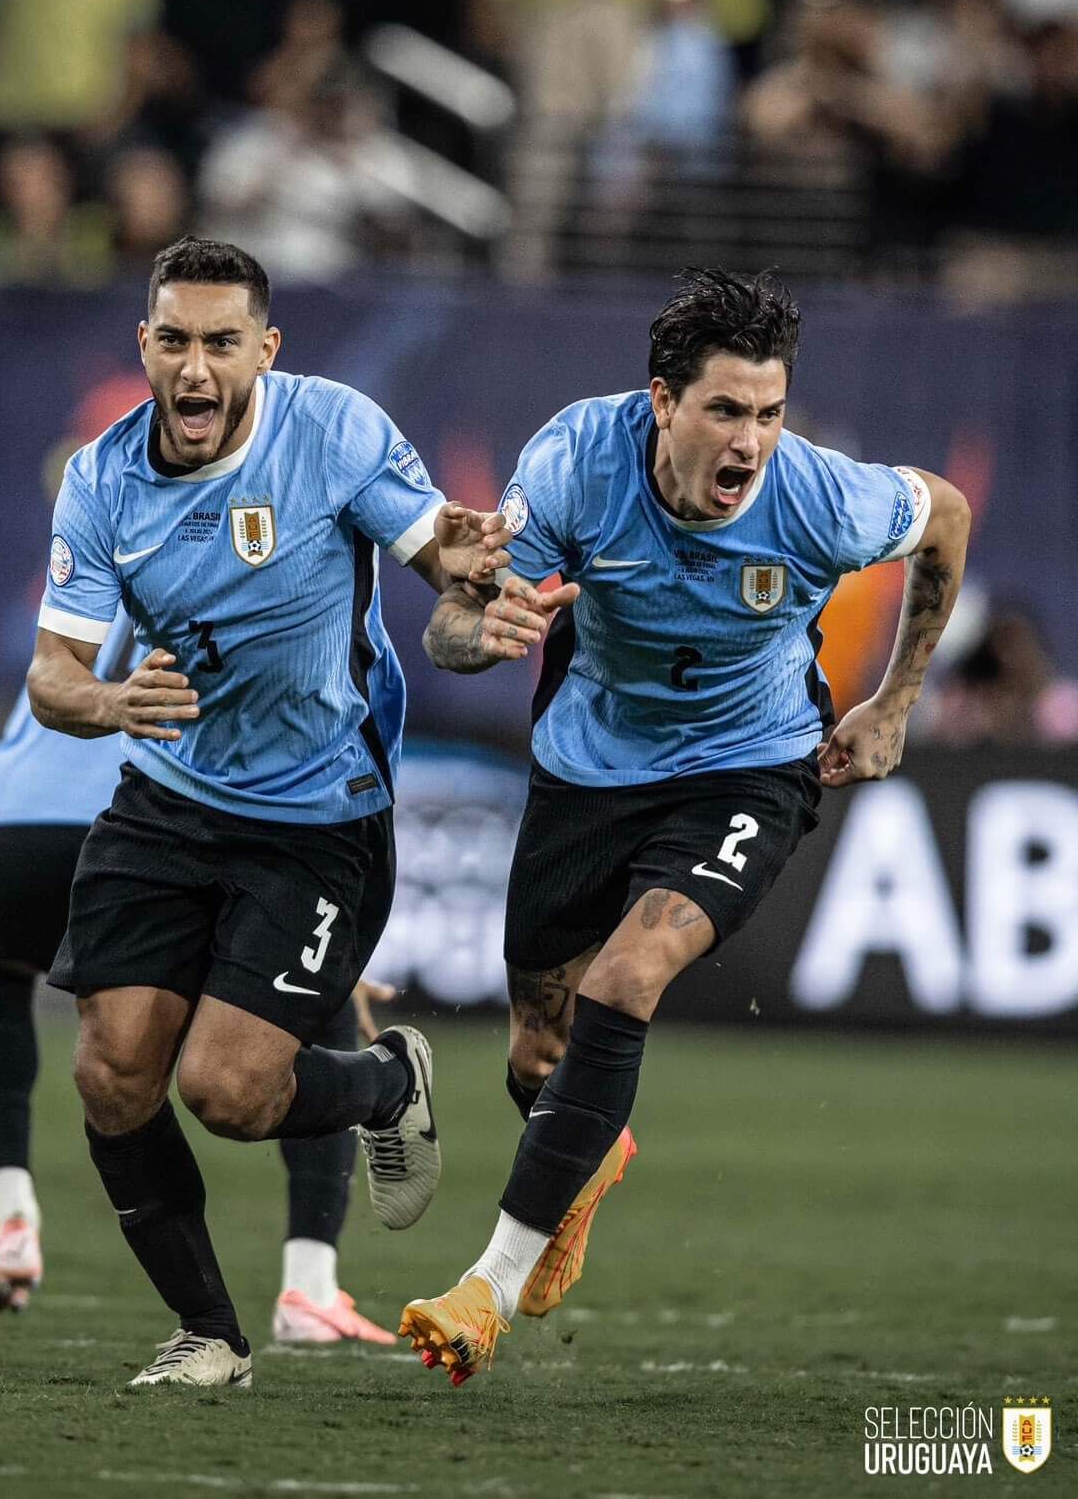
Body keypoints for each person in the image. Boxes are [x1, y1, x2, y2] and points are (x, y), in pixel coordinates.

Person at [398, 268, 970, 1386]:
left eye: (766, 412)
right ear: (661, 402)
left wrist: (893, 699)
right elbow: (453, 627)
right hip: (586, 766)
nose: (748, 441)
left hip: (748, 767)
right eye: (723, 410)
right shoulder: (572, 461)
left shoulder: (817, 496)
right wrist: (486, 625)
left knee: (630, 973)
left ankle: (485, 1287)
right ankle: (586, 1151)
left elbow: (942, 514)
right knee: (535, 1054)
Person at [27, 235, 509, 1389]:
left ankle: (386, 1081)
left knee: (228, 1093)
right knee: (110, 1072)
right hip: (166, 795)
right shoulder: (101, 479)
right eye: (176, 342)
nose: (196, 370)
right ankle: (210, 1336)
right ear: (145, 346)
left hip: (317, 813)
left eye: (220, 344)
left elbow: (431, 548)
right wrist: (106, 700)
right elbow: (52, 673)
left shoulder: (330, 430)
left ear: (264, 349)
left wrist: (469, 566)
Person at [0, 604, 396, 1348]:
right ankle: (309, 1285)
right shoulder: (281, 599)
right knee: (304, 1016)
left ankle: (10, 1219)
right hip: (147, 815)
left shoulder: (94, 589)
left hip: (8, 818)